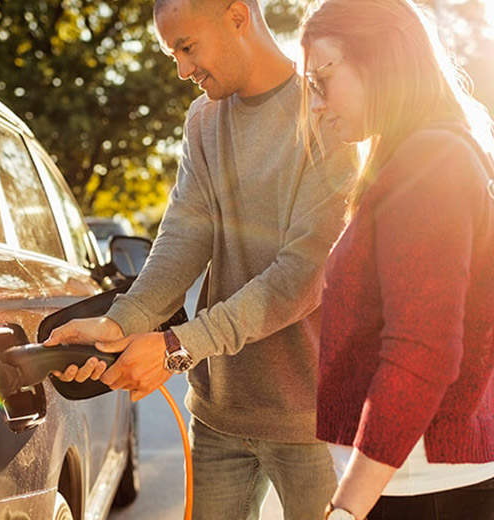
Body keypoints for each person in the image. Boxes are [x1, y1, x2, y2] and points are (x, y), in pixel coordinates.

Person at [45, 0, 354, 518]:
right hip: (218, 417)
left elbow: (302, 277)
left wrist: (175, 348)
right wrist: (117, 323)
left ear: (237, 15)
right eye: (173, 56)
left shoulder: (328, 112)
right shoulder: (203, 119)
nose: (184, 69)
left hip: (314, 421)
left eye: (187, 48)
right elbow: (183, 238)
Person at [299, 0, 494, 519]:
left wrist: (346, 509)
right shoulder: (427, 154)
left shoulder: (431, 160)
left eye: (322, 78)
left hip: (422, 488)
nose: (316, 104)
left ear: (381, 60)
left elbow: (423, 350)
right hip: (412, 480)